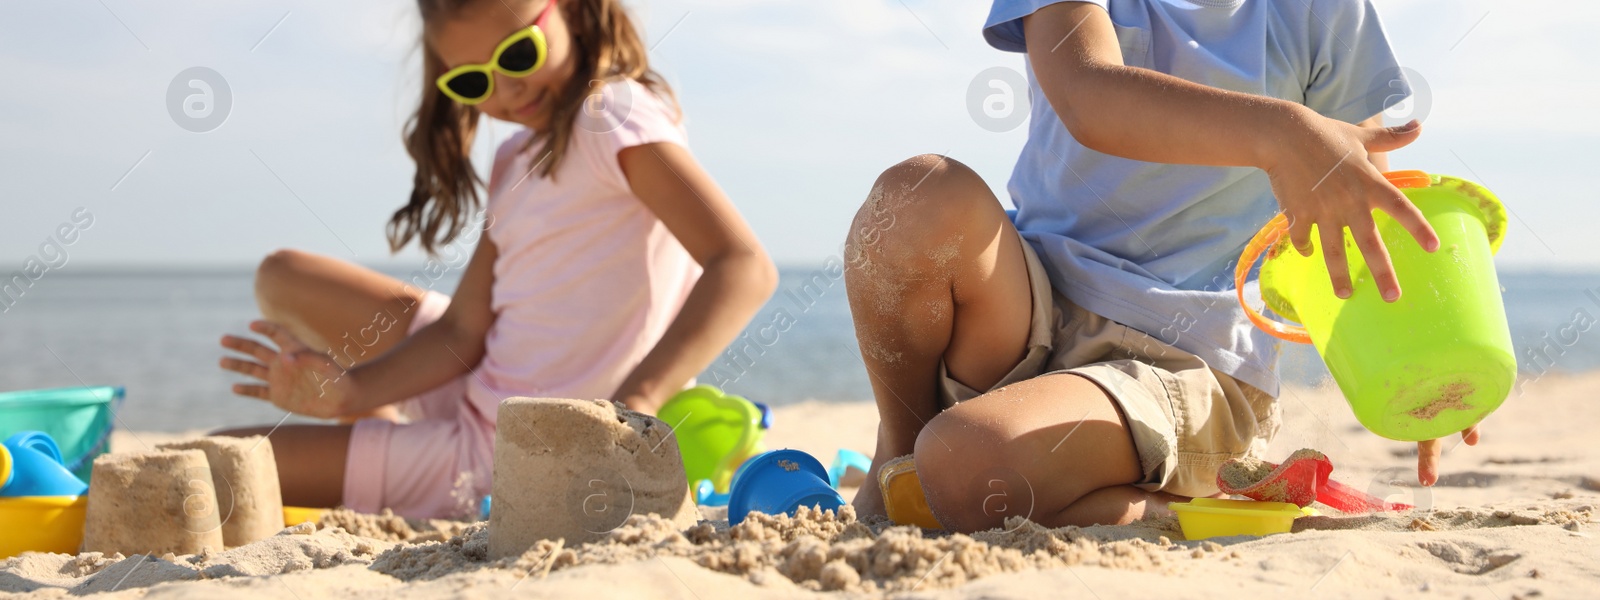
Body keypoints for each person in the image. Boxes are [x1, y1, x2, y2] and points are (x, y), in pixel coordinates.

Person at [844, 0, 1477, 532]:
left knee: (967, 464)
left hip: (1190, 361)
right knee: (918, 194)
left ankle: (1189, 506)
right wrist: (1281, 130)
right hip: (1031, 301)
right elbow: (1088, 91)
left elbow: (1364, 208)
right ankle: (899, 463)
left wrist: (1419, 354)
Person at [216, 0, 776, 519]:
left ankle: (384, 454)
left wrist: (635, 403)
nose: (507, 89)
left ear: (575, 12)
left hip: (505, 451)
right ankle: (375, 424)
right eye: (473, 80)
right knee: (284, 274)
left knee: (217, 466)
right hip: (476, 378)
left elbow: (743, 265)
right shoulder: (514, 158)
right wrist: (353, 390)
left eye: (518, 54)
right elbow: (462, 329)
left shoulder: (613, 113)